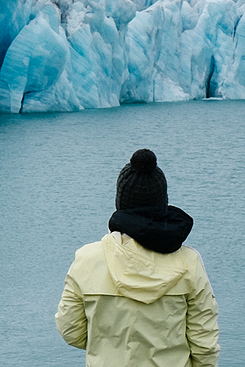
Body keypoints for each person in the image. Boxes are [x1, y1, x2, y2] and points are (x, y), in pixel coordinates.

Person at [55, 148, 220, 366]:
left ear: (120, 202)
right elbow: (204, 342)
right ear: (162, 201)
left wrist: (106, 345)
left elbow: (70, 330)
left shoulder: (87, 259)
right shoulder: (189, 262)